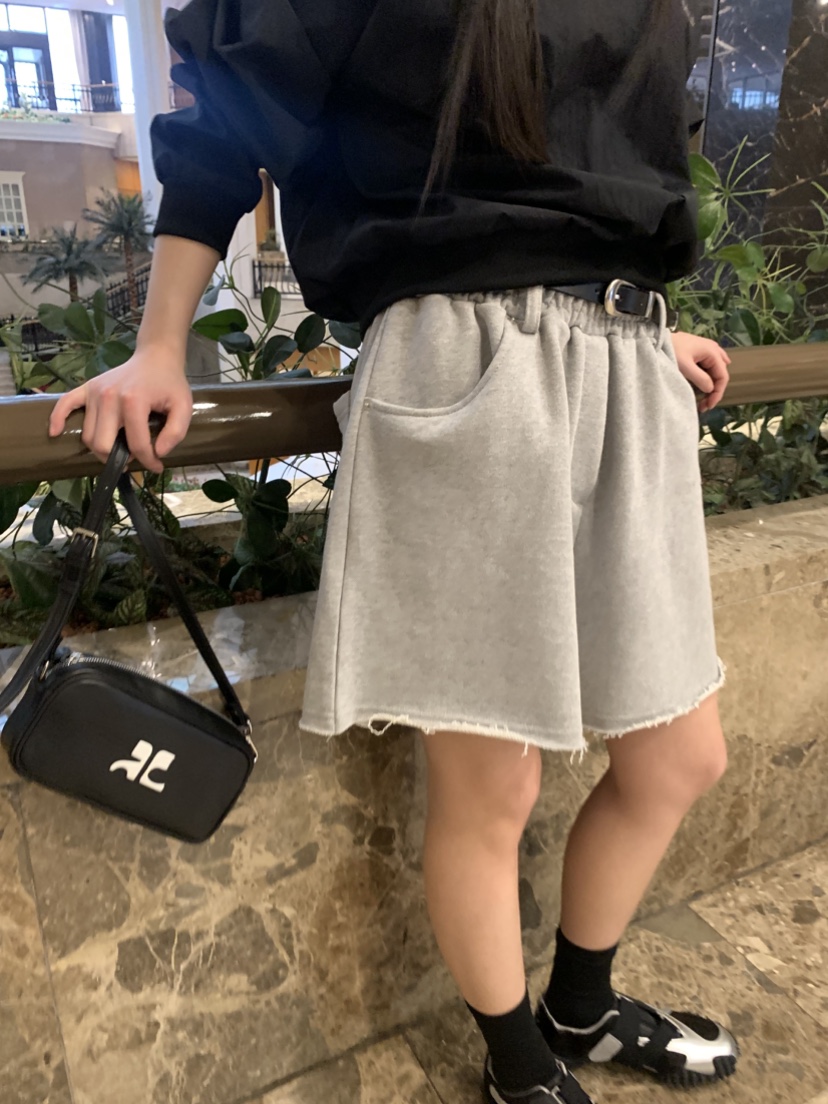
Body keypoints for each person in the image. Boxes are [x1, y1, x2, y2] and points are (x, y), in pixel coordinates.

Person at [49, 2, 739, 1101]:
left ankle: (582, 1006)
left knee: (680, 757)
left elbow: (609, 158)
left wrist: (630, 320)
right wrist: (161, 344)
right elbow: (230, 108)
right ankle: (520, 1069)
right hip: (467, 362)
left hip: (625, 361)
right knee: (492, 788)